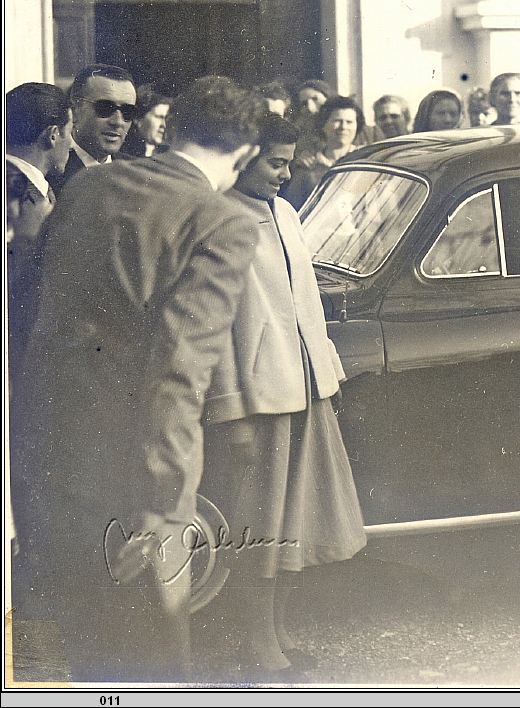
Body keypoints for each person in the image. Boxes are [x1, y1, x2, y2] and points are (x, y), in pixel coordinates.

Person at [10, 75, 264, 681]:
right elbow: (178, 373)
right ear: (247, 152)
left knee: (93, 653)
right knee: (149, 662)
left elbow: (33, 310)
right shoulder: (222, 222)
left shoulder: (91, 185)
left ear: (171, 130)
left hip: (47, 459)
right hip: (131, 478)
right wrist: (162, 507)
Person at [200, 113, 367, 676]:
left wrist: (326, 373)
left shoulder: (288, 212)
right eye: (275, 162)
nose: (285, 172)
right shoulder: (219, 217)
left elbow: (306, 303)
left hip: (304, 385)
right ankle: (254, 641)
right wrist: (230, 403)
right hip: (258, 394)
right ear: (244, 156)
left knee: (298, 520)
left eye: (289, 161)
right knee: (261, 523)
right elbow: (217, 324)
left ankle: (275, 633)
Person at [5, 82, 73, 361]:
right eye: (71, 131)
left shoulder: (39, 190)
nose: (71, 142)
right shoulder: (14, 192)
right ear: (53, 135)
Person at [55, 63, 137, 194]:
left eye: (127, 112)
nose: (117, 122)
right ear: (74, 111)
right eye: (105, 108)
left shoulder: (137, 173)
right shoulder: (53, 173)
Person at [282, 95, 365, 209]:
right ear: (323, 124)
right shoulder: (308, 165)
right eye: (337, 121)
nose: (343, 127)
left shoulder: (365, 159)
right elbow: (292, 208)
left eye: (349, 122)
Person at [121, 86, 172, 158]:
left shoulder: (168, 155)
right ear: (138, 118)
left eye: (167, 119)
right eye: (159, 117)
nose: (164, 125)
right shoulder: (121, 152)